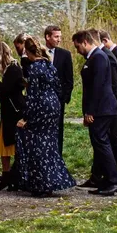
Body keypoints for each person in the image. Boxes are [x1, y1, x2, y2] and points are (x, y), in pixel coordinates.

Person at [15, 35, 77, 197]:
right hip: (54, 105)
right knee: (50, 143)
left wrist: (25, 117)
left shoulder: (34, 68)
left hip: (41, 105)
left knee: (37, 145)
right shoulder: (49, 65)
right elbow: (58, 86)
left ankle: (41, 183)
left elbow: (32, 95)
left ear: (28, 52)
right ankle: (54, 179)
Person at [77, 29, 117, 195]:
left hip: (102, 108)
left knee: (101, 142)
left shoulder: (98, 57)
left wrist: (90, 111)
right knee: (101, 143)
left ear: (85, 42)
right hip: (105, 107)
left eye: (77, 46)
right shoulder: (97, 56)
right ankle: (107, 179)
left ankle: (114, 179)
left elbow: (96, 87)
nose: (77, 50)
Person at [0, 41, 25, 191]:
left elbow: (7, 88)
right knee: (5, 144)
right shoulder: (10, 69)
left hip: (14, 112)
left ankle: (14, 176)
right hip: (8, 111)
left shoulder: (14, 68)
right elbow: (7, 91)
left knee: (12, 144)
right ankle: (7, 175)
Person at [44, 25, 75, 156]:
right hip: (42, 100)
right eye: (56, 36)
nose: (59, 39)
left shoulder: (65, 55)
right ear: (47, 37)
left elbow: (69, 80)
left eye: (60, 37)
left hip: (58, 100)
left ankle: (57, 157)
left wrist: (63, 98)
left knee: (58, 130)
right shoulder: (38, 53)